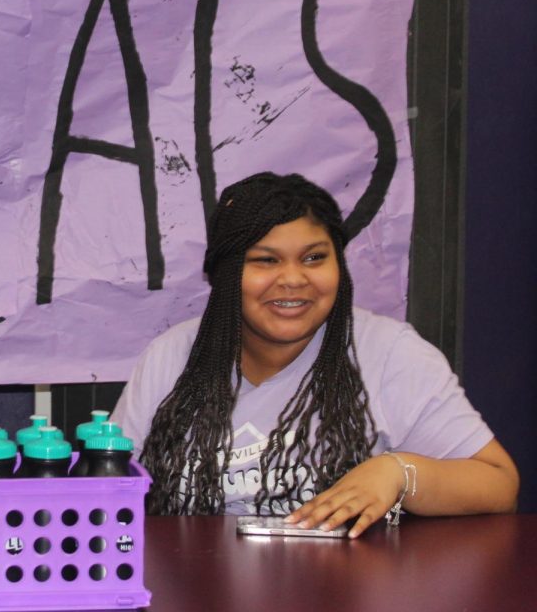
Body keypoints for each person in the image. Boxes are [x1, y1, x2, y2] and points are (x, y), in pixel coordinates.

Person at [113, 172, 518, 537]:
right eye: (265, 260)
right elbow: (109, 491)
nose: (293, 279)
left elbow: (499, 485)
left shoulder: (392, 354)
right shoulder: (171, 356)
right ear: (223, 273)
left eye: (314, 258)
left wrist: (398, 472)